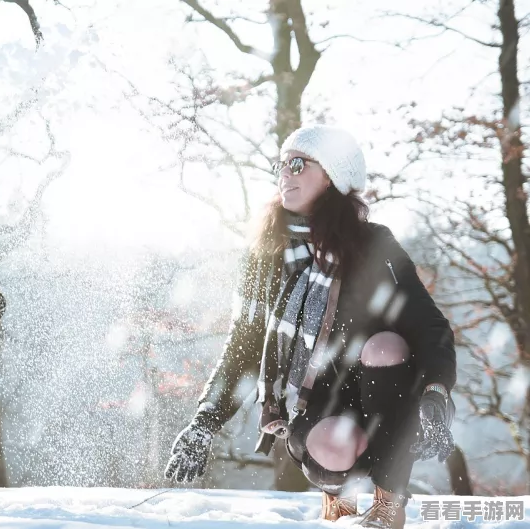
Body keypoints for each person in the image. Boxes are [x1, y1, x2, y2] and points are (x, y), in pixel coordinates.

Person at [163, 125, 457, 529]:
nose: (286, 173)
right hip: (316, 410)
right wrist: (204, 422)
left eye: (298, 164)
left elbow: (431, 328)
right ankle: (340, 502)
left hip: (387, 404)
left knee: (386, 345)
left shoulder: (373, 246)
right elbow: (243, 347)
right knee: (335, 445)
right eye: (281, 164)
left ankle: (389, 507)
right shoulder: (265, 254)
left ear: (334, 175)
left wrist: (436, 396)